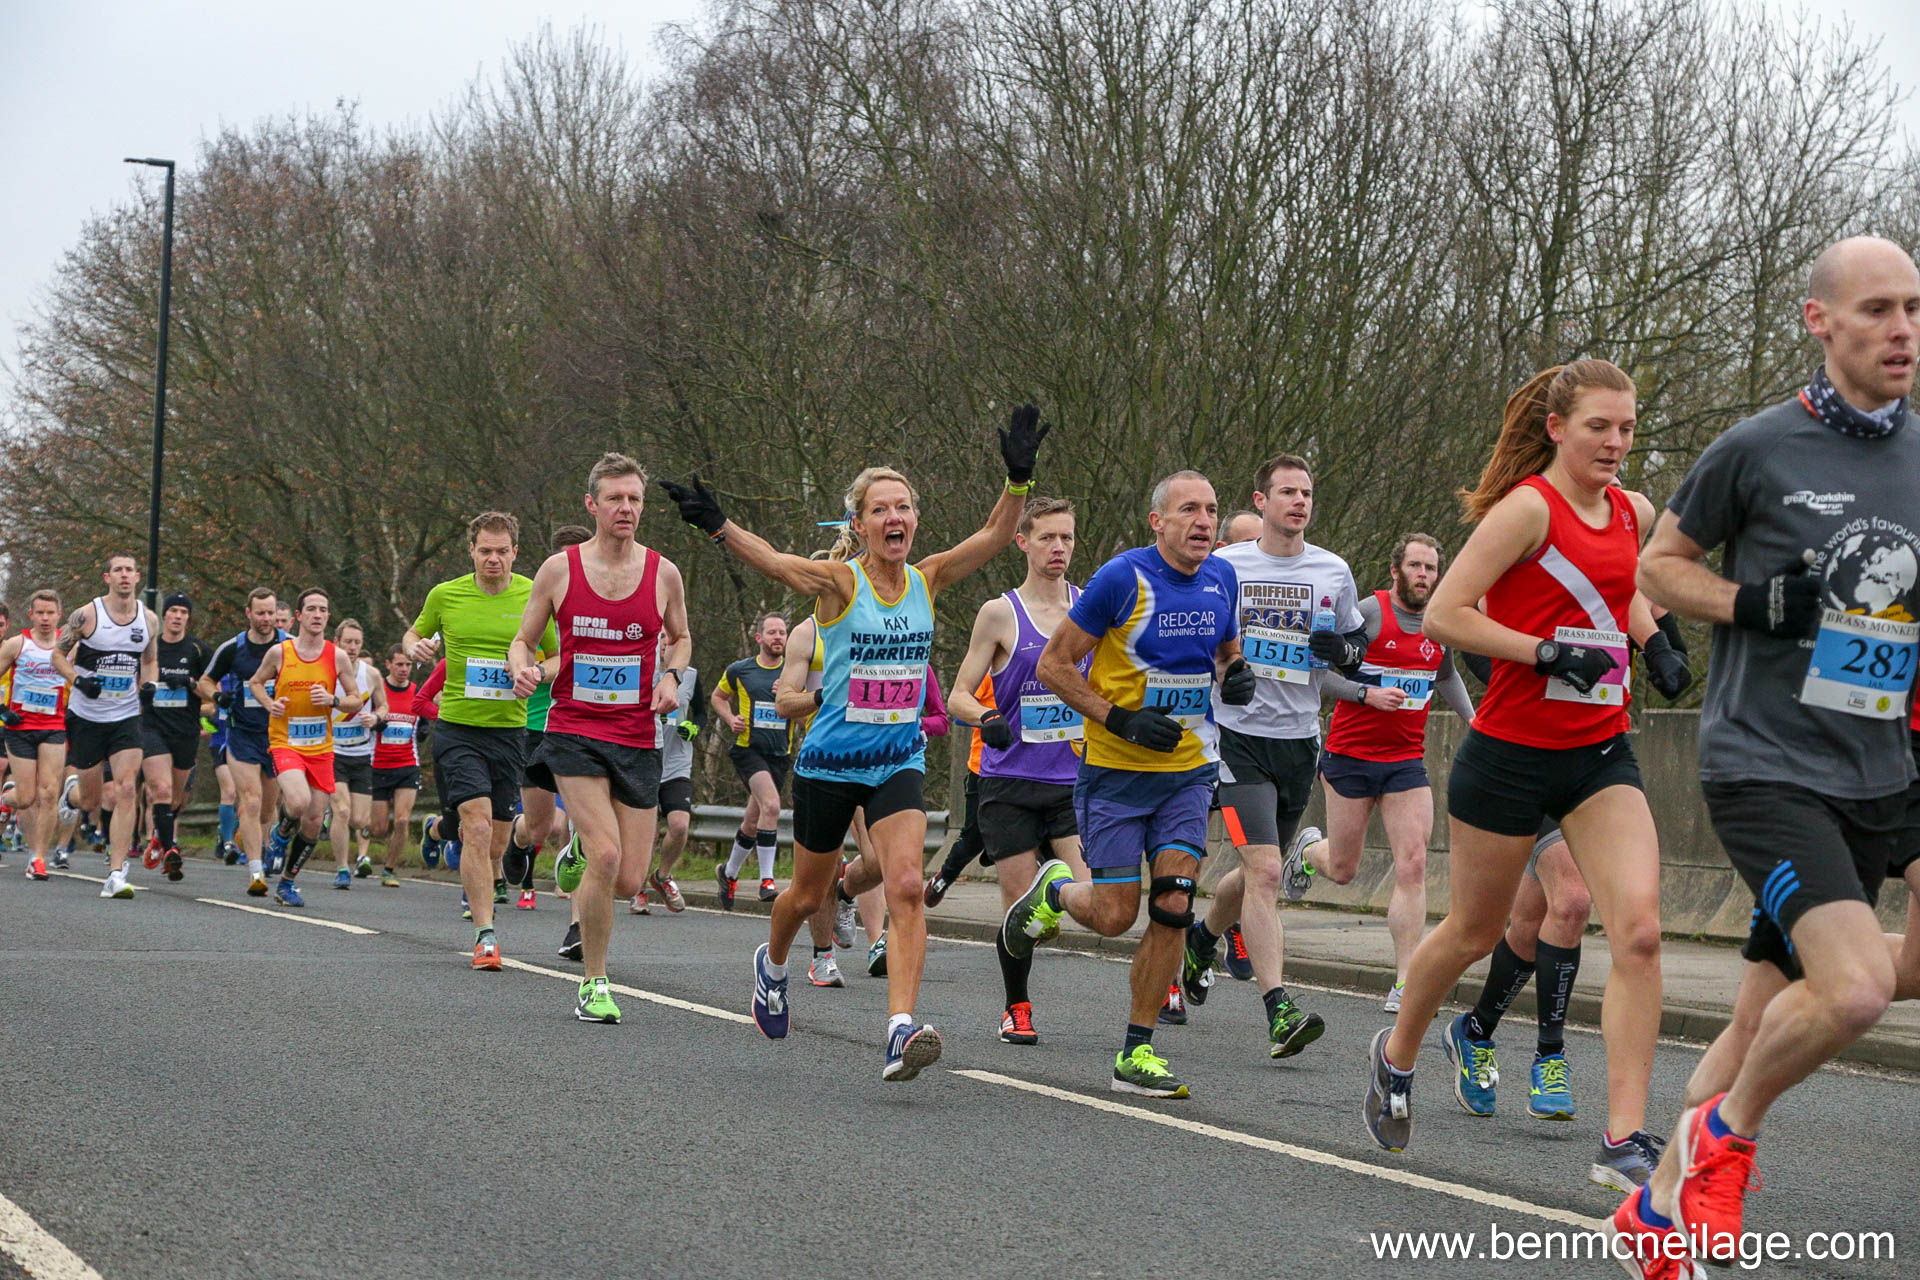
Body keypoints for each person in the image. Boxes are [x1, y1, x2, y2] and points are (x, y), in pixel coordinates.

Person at [1615, 237, 1920, 1272]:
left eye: (1914, 310)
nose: (1902, 330)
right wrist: (1750, 601)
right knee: (1856, 989)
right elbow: (1656, 566)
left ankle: (1654, 1215)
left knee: (1767, 1015)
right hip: (1765, 763)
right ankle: (1718, 1137)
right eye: (1878, 309)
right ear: (1819, 320)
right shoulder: (1755, 447)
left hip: (1881, 767)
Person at [1361, 360, 1678, 1203]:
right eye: (1599, 428)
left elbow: (1622, 587)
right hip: (1508, 753)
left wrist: (1659, 639)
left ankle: (1623, 1139)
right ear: (1557, 428)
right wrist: (1542, 652)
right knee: (1472, 930)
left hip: (1598, 752)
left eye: (1627, 429)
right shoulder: (1526, 510)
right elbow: (1446, 614)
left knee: (1640, 930)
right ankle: (1395, 1058)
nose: (1615, 444)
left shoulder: (1632, 512)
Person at [663, 404, 1048, 1080]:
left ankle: (900, 1028)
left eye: (903, 507)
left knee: (904, 884)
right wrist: (719, 526)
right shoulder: (843, 583)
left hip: (896, 761)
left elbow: (992, 535)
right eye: (880, 510)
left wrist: (1018, 479)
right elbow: (782, 567)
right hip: (829, 764)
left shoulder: (929, 579)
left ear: (914, 520)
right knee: (807, 897)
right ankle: (773, 963)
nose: (894, 518)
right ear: (861, 525)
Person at [1001, 469, 1252, 1097]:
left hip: (1188, 775)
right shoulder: (1122, 579)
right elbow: (1054, 665)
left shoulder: (1223, 576)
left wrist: (1237, 672)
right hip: (1114, 774)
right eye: (1188, 509)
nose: (1203, 521)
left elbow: (1226, 653)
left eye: (1212, 509)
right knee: (1115, 916)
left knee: (1172, 903)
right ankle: (1055, 892)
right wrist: (1120, 719)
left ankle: (1137, 1051)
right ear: (1157, 521)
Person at [1178, 453, 1363, 1060]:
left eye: (1307, 492)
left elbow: (1356, 640)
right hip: (1235, 739)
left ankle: (1204, 937)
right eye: (1287, 492)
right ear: (1260, 501)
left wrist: (1345, 649)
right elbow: (1190, 636)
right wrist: (1223, 670)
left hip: (1299, 739)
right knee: (1263, 873)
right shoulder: (1226, 566)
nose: (1300, 502)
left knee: (1259, 870)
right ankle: (1279, 1008)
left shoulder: (1332, 570)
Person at [516, 453, 690, 1021]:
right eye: (615, 498)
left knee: (629, 879)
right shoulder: (559, 570)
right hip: (574, 730)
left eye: (635, 499)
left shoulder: (663, 573)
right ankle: (594, 983)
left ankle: (577, 852)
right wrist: (521, 666)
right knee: (609, 854)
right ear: (593, 505)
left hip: (637, 734)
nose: (626, 508)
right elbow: (525, 641)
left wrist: (670, 675)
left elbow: (682, 639)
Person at [947, 496, 1091, 1045]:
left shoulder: (1088, 609)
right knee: (1016, 909)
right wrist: (986, 717)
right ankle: (1017, 1007)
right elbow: (958, 694)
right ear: (1022, 542)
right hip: (1008, 785)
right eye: (1048, 538)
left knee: (1090, 893)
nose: (1059, 548)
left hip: (1070, 783)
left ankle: (1049, 895)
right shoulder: (999, 613)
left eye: (1067, 538)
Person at [1314, 534, 1476, 1012]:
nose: (1424, 575)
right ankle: (1309, 852)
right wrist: (1366, 695)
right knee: (1343, 870)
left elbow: (1445, 675)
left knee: (1414, 863)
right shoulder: (1369, 613)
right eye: (1416, 566)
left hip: (1405, 762)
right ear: (1395, 570)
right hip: (1348, 757)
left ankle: (1406, 980)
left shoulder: (1439, 623)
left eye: (1431, 568)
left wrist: (1476, 722)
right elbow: (1319, 673)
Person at [405, 512, 557, 971]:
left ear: (515, 551)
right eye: (484, 550)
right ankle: (485, 934)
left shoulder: (534, 593)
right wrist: (416, 646)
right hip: (458, 728)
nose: (493, 558)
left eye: (502, 550)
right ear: (471, 551)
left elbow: (559, 655)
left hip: (510, 732)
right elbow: (416, 632)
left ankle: (440, 831)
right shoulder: (446, 594)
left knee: (495, 839)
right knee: (475, 825)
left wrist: (536, 672)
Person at [52, 554, 160, 900]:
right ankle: (70, 793)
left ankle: (116, 873)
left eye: (130, 570)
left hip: (126, 715)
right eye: (118, 570)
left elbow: (150, 659)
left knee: (127, 788)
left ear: (137, 577)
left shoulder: (148, 619)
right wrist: (78, 681)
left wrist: (150, 684)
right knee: (92, 800)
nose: (125, 576)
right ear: (107, 577)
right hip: (86, 716)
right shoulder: (87, 615)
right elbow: (57, 654)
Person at [249, 589, 364, 907]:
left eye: (323, 610)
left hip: (321, 747)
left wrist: (334, 700)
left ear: (328, 617)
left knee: (315, 819)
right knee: (298, 801)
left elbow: (355, 700)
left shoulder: (337, 656)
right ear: (299, 616)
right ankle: (282, 830)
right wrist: (270, 704)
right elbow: (255, 682)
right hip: (285, 741)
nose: (317, 614)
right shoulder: (280, 653)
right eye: (311, 609)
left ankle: (286, 883)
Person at [201, 589, 283, 895]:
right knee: (250, 799)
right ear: (248, 613)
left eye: (270, 613)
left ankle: (259, 843)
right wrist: (218, 696)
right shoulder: (232, 648)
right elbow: (205, 681)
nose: (265, 619)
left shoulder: (287, 645)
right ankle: (256, 870)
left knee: (268, 808)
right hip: (241, 733)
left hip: (276, 735)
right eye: (259, 613)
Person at [712, 615, 793, 905]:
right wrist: (729, 718)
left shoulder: (794, 672)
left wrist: (789, 696)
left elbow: (805, 712)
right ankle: (767, 880)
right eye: (772, 632)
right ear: (759, 638)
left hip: (780, 753)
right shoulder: (740, 670)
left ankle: (729, 872)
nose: (778, 637)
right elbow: (718, 697)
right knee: (771, 806)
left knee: (753, 819)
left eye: (783, 633)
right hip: (749, 750)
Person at [135, 591, 211, 881]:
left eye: (183, 612)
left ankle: (159, 837)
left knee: (176, 801)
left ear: (188, 618)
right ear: (164, 615)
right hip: (152, 728)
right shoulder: (149, 648)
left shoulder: (199, 651)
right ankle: (170, 850)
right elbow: (134, 681)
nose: (177, 616)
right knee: (161, 791)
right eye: (173, 611)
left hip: (185, 730)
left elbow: (213, 692)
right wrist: (145, 689)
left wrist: (190, 684)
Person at [1, 590, 71, 881]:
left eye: (50, 613)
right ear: (31, 615)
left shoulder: (68, 647)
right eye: (39, 613)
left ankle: (38, 858)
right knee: (27, 797)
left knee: (50, 792)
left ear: (59, 615)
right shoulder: (17, 645)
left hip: (54, 726)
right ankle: (7, 797)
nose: (45, 618)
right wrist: (3, 711)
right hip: (20, 728)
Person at [634, 661, 701, 914]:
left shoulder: (690, 675)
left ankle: (662, 876)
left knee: (680, 826)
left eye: (669, 639)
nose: (664, 645)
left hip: (677, 764)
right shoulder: (642, 668)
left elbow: (701, 713)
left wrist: (695, 728)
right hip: (645, 760)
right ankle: (638, 890)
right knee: (647, 833)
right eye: (661, 638)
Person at [325, 618, 382, 888]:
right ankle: (342, 868)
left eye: (357, 642)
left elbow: (384, 706)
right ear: (336, 642)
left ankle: (332, 819)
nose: (352, 647)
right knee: (343, 811)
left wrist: (376, 718)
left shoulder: (370, 674)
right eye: (347, 641)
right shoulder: (326, 670)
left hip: (361, 754)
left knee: (361, 819)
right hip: (332, 752)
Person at [369, 644, 422, 886]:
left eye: (408, 665)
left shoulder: (415, 691)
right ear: (388, 664)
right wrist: (376, 724)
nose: (404, 669)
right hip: (378, 765)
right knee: (378, 828)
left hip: (407, 765)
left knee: (402, 820)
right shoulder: (377, 691)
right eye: (399, 664)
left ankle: (389, 870)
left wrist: (424, 729)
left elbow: (424, 718)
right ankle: (362, 835)